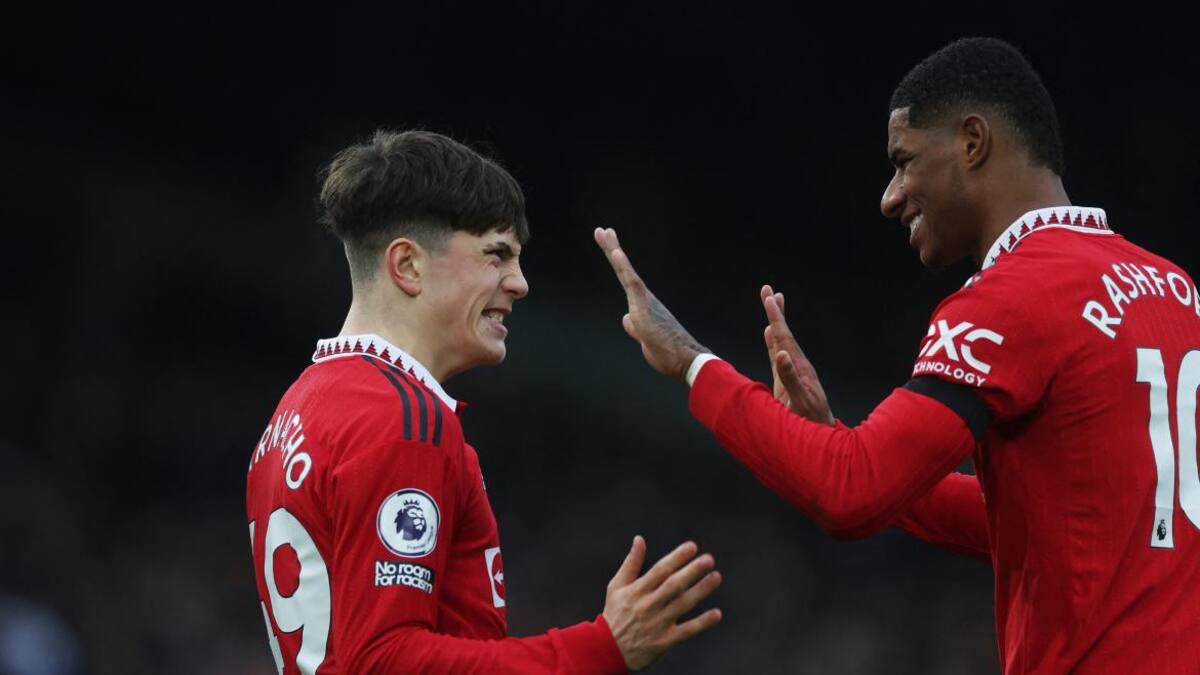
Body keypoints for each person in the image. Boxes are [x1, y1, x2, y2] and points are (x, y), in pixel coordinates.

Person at [593, 38, 1200, 674]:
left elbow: (849, 490)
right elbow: (1045, 521)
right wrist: (832, 437)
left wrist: (690, 362)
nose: (891, 195)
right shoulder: (1173, 289)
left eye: (903, 161)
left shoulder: (1013, 298)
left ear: (972, 142)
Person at [246, 130, 722, 674]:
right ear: (408, 266)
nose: (519, 283)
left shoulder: (298, 410)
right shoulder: (403, 418)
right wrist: (601, 649)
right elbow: (381, 661)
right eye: (495, 255)